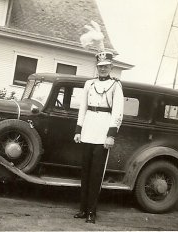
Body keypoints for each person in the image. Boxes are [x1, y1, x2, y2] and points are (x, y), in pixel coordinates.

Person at [73, 51, 124, 224]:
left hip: (103, 133)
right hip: (88, 130)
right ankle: (82, 209)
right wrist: (78, 130)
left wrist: (111, 135)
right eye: (100, 66)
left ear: (111, 67)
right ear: (97, 67)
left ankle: (91, 212)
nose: (102, 69)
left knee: (96, 174)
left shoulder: (116, 86)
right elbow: (83, 108)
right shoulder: (89, 83)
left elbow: (118, 113)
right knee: (85, 172)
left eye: (105, 66)